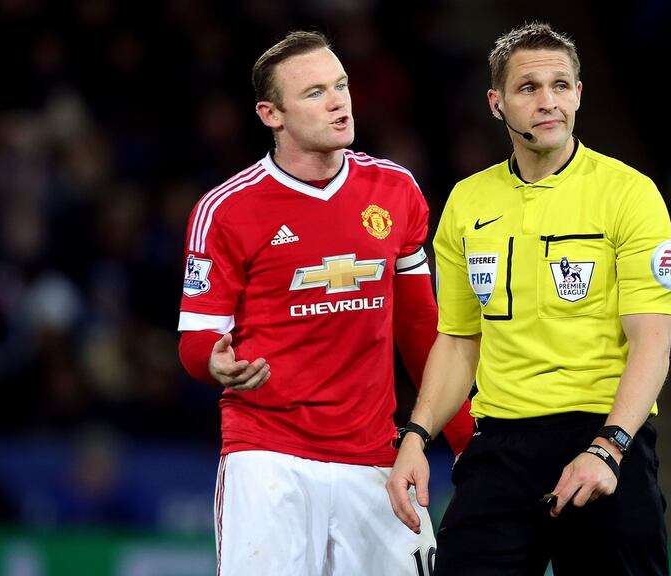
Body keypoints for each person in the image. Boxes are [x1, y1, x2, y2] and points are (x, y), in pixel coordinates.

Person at [386, 22, 671, 575]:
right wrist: (416, 436)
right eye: (528, 88)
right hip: (500, 443)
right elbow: (457, 341)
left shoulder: (630, 194)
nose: (548, 101)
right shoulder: (466, 202)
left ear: (579, 93)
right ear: (497, 103)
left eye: (561, 85)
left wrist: (610, 447)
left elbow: (652, 344)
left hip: (602, 433)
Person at [176, 31, 473, 576]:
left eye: (341, 85)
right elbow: (197, 339)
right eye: (315, 93)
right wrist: (213, 362)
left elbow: (419, 327)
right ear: (271, 114)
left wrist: (463, 437)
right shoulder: (226, 209)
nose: (339, 101)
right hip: (267, 456)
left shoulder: (395, 190)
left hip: (375, 456)